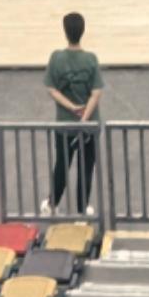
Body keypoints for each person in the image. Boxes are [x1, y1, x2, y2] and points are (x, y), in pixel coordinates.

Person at [45, 12, 102, 214]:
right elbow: (96, 93)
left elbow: (52, 89)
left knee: (62, 165)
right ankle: (82, 209)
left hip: (64, 124)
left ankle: (52, 205)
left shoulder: (56, 58)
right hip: (89, 127)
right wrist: (84, 118)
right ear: (83, 31)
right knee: (86, 168)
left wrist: (71, 107)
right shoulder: (91, 60)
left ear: (65, 32)